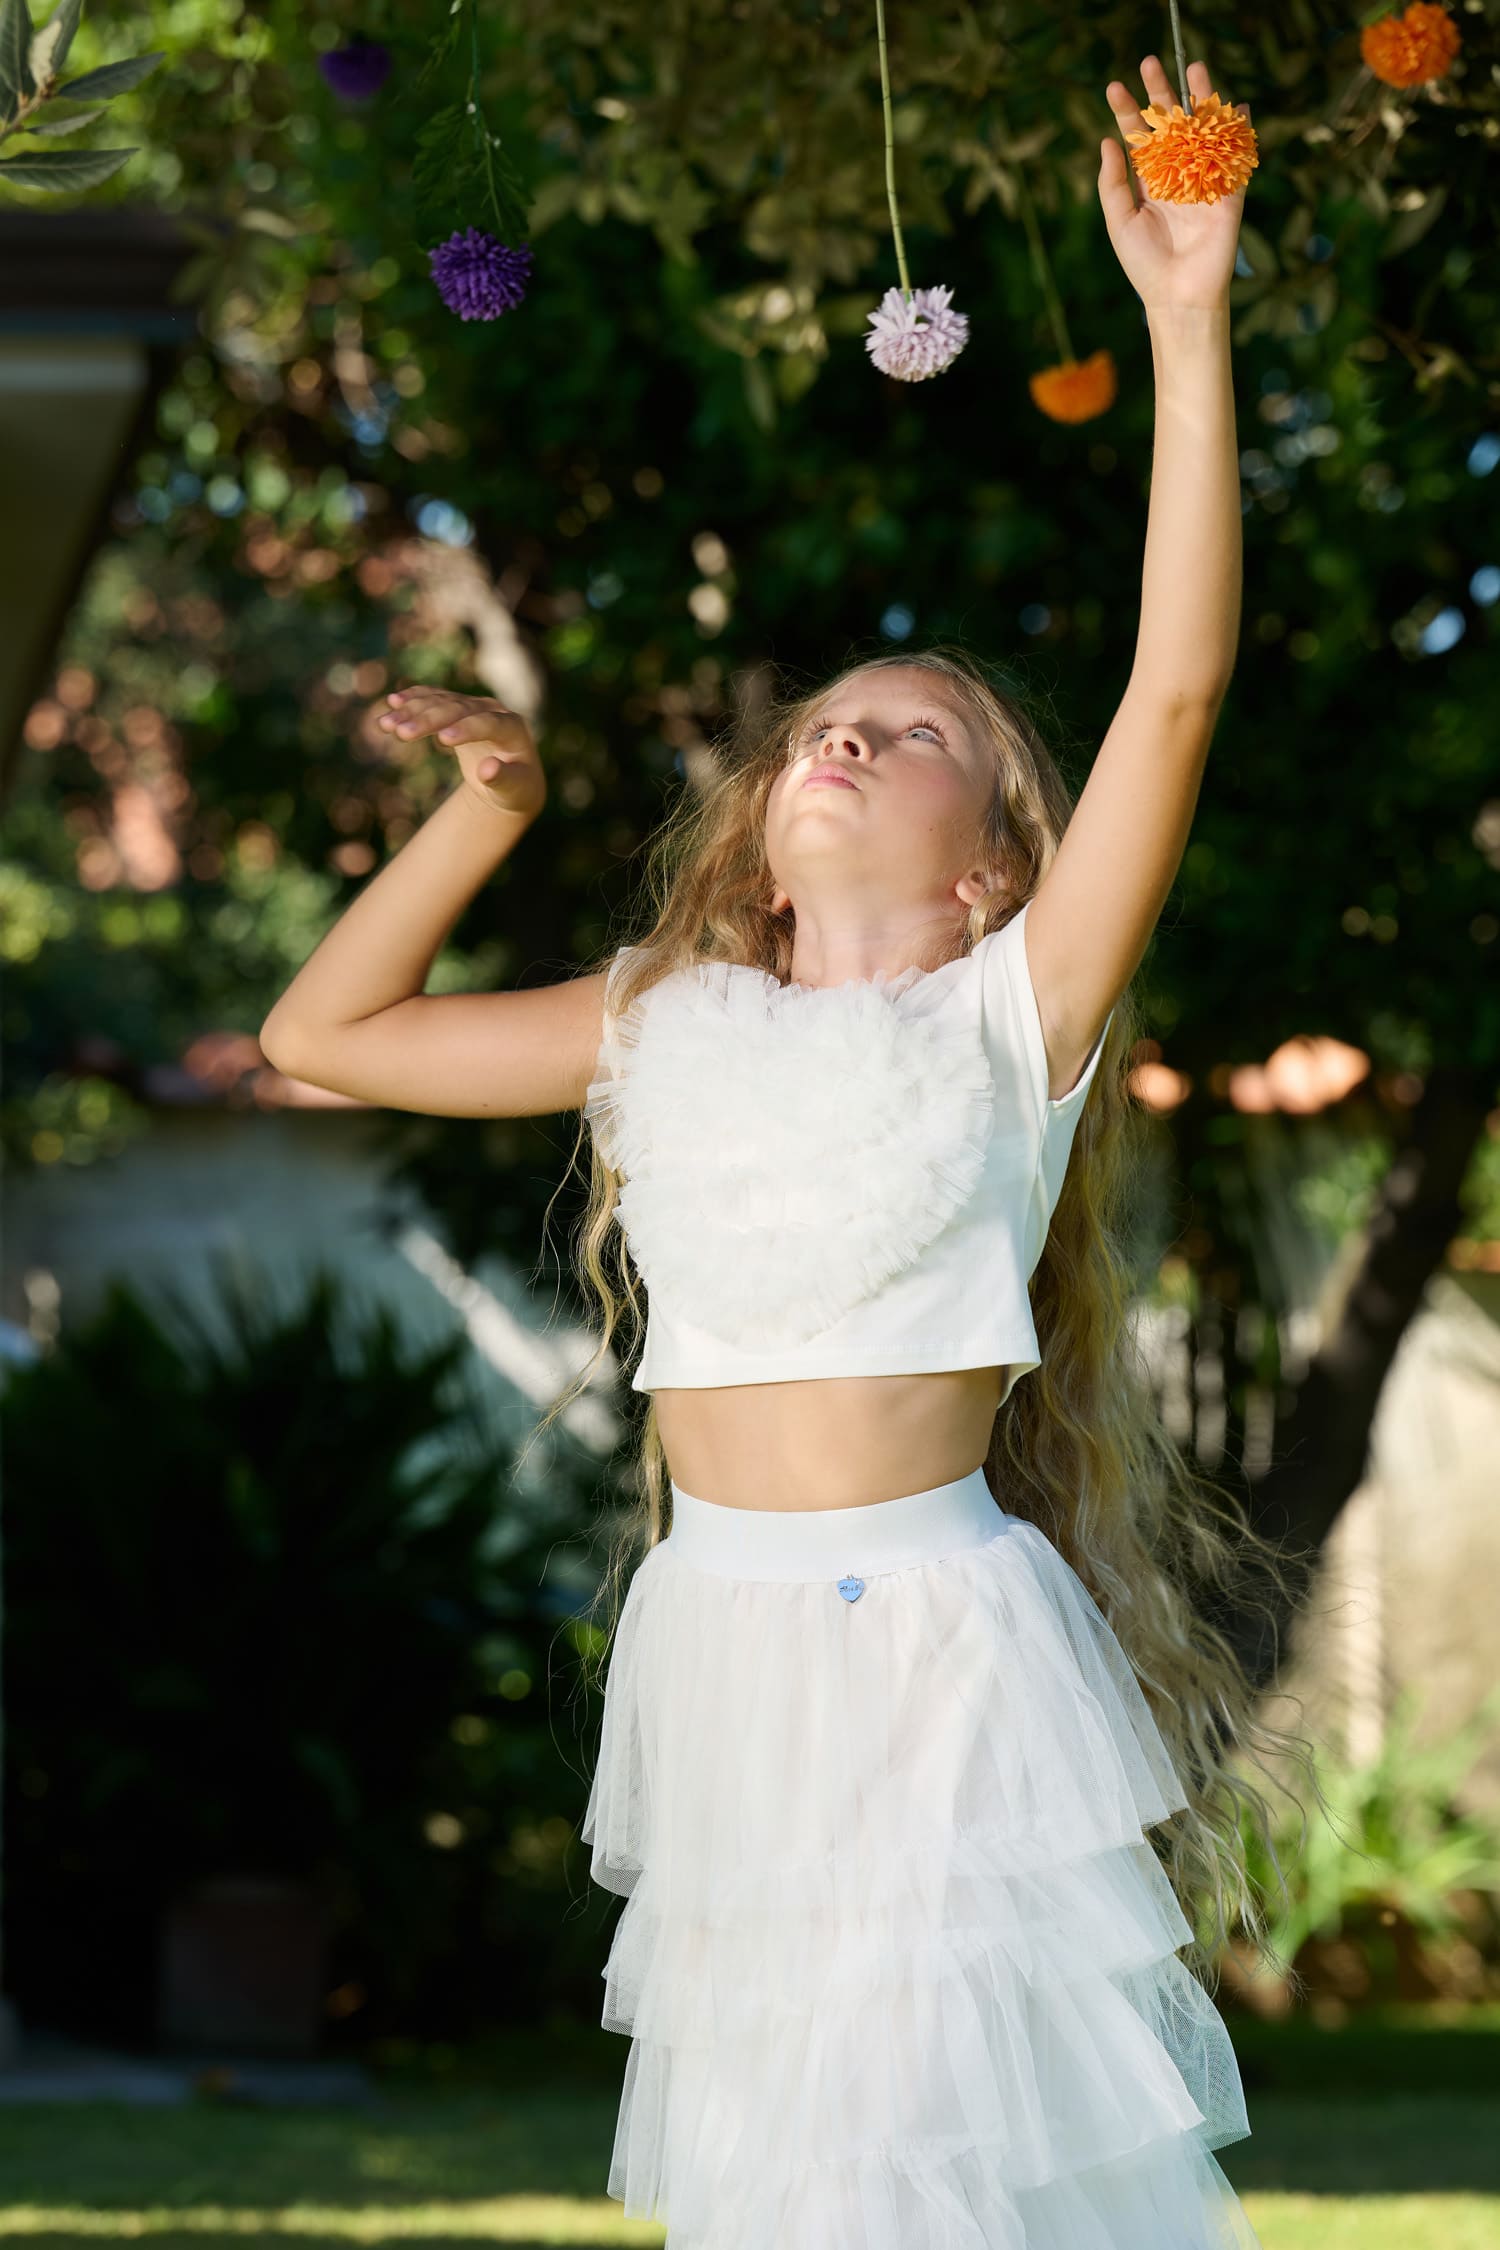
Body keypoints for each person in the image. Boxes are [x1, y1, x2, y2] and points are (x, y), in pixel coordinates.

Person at [261, 53, 1312, 2249]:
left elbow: (1177, 692)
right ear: (759, 833)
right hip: (719, 1648)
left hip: (936, 1647)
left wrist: (1188, 324)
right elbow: (321, 1035)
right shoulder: (662, 1020)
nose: (845, 730)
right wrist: (489, 810)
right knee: (790, 2178)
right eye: (830, 717)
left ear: (990, 867)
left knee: (933, 2165)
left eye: (913, 732)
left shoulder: (1008, 1022)